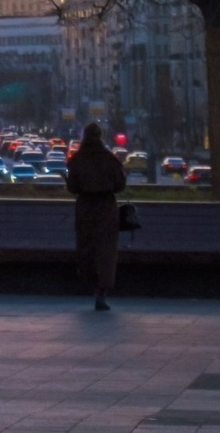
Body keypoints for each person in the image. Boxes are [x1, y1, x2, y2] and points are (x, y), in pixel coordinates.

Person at [65, 122, 129, 311]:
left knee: (87, 248)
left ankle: (92, 283)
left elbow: (72, 188)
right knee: (106, 250)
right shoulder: (109, 159)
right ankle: (103, 289)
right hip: (106, 208)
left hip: (85, 208)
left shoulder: (77, 159)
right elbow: (120, 185)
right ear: (100, 136)